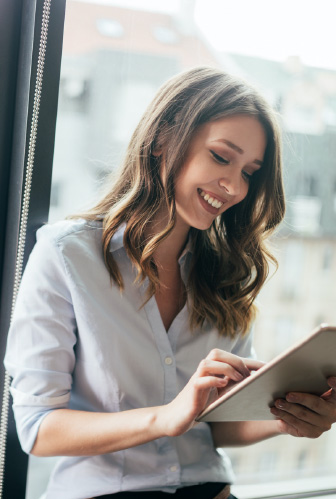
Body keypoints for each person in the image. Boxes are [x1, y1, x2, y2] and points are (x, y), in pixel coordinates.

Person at [4, 67, 336, 499]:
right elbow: (37, 428)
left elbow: (216, 424)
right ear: (163, 139)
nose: (234, 187)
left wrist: (288, 418)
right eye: (221, 157)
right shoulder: (66, 256)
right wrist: (166, 415)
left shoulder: (226, 274)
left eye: (250, 172)